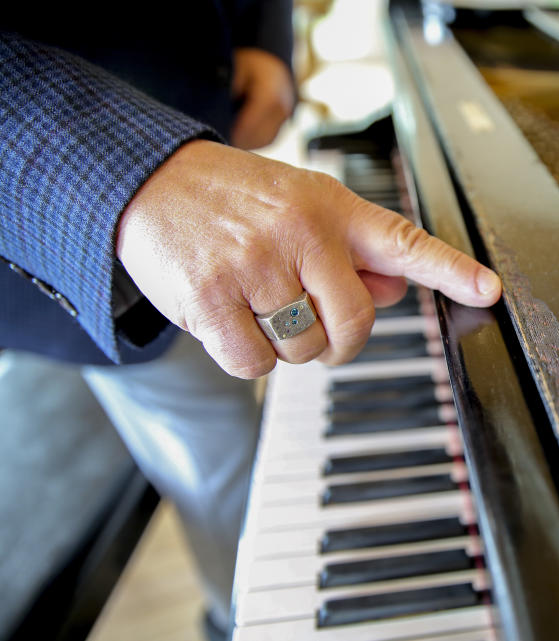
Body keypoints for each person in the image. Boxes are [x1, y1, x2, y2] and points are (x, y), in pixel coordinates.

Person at [0, 2, 502, 639]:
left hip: (206, 110)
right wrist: (130, 178)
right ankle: (233, 614)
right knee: (219, 470)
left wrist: (269, 43)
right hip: (71, 231)